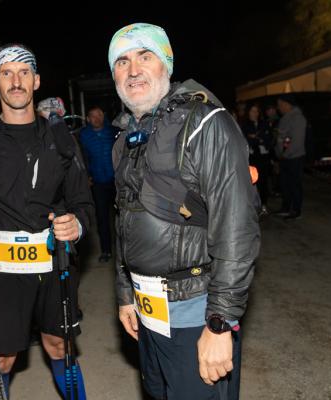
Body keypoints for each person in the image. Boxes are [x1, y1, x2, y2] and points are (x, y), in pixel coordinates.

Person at [108, 23, 260, 400]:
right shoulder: (125, 139)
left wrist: (220, 323)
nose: (133, 70)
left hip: (196, 310)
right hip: (148, 309)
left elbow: (237, 228)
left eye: (145, 56)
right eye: (122, 62)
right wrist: (125, 294)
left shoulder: (206, 123)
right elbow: (123, 220)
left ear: (167, 63)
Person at [0, 43, 93, 399]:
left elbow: (83, 202)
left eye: (24, 72)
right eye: (7, 73)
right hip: (1, 268)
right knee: (3, 358)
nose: (16, 81)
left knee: (59, 346)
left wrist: (77, 225)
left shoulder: (62, 141)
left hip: (55, 261)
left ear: (36, 81)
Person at [79, 106, 117, 262]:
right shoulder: (83, 135)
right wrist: (86, 176)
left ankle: (125, 252)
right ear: (88, 119)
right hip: (98, 183)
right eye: (93, 116)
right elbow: (81, 158)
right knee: (102, 218)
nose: (97, 118)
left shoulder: (113, 132)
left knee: (122, 218)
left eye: (99, 115)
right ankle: (106, 251)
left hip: (117, 182)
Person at [274, 94, 307, 219]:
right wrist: (279, 154)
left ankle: (296, 210)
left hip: (294, 158)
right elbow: (281, 138)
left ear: (287, 104)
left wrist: (284, 154)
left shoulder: (298, 118)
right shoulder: (285, 118)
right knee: (285, 184)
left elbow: (296, 141)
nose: (278, 108)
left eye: (280, 105)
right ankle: (286, 207)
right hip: (285, 157)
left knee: (295, 184)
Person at [241, 104, 273, 215]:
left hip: (263, 157)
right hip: (251, 158)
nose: (254, 114)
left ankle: (263, 205)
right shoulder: (244, 125)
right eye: (252, 111)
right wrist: (256, 139)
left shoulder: (264, 124)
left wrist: (256, 138)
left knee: (263, 182)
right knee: (252, 181)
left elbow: (268, 139)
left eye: (256, 111)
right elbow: (246, 141)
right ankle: (253, 205)